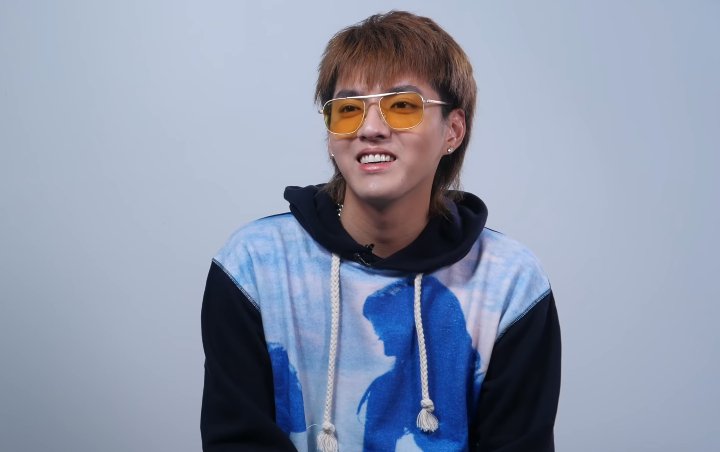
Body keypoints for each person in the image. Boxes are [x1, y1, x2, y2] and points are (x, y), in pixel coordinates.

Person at [201, 10, 560, 452]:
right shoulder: (252, 267)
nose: (370, 129)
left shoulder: (511, 284)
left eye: (402, 105)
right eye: (348, 110)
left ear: (453, 130)